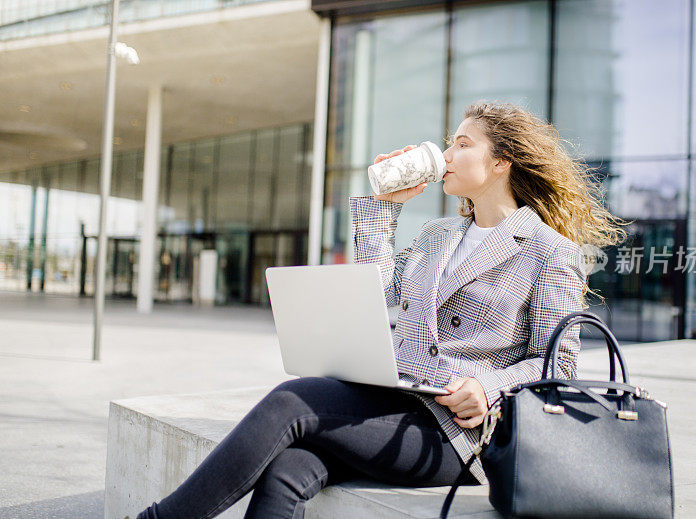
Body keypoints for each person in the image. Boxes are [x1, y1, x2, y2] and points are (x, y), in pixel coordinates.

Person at [136, 101, 624, 519]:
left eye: (462, 144)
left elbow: (557, 364)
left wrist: (486, 386)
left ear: (502, 162)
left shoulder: (548, 249)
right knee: (290, 468)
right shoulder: (440, 234)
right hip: (396, 397)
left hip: (458, 433)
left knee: (292, 402)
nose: (447, 155)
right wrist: (384, 208)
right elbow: (382, 291)